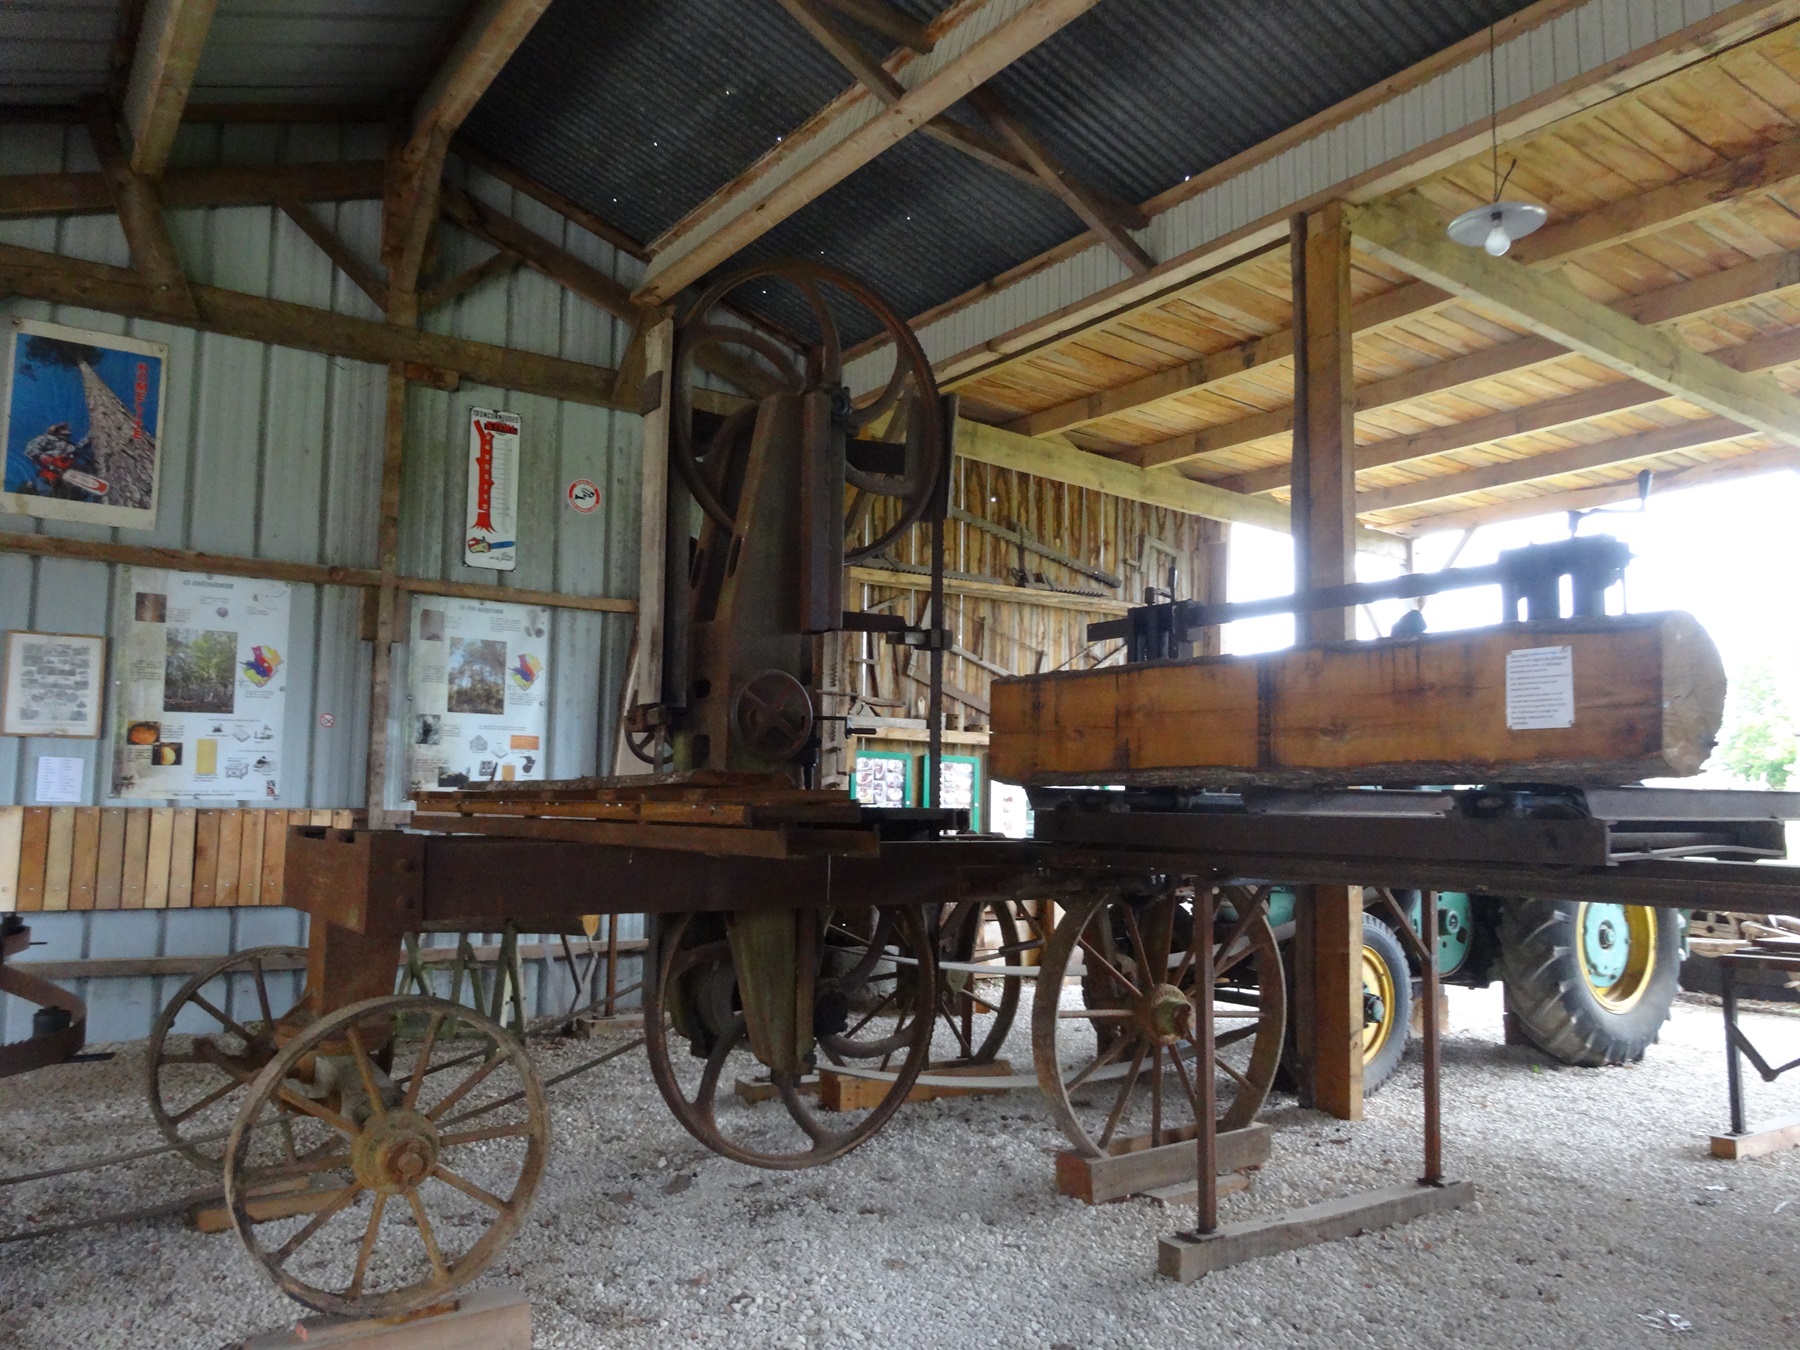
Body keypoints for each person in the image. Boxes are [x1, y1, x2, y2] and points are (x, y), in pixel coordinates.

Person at [22, 423, 100, 500]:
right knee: (44, 490)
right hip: (49, 472)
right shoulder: (47, 439)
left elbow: (79, 448)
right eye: (63, 429)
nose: (67, 432)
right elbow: (30, 449)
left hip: (66, 474)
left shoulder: (69, 446)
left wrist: (91, 434)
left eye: (66, 430)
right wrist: (43, 457)